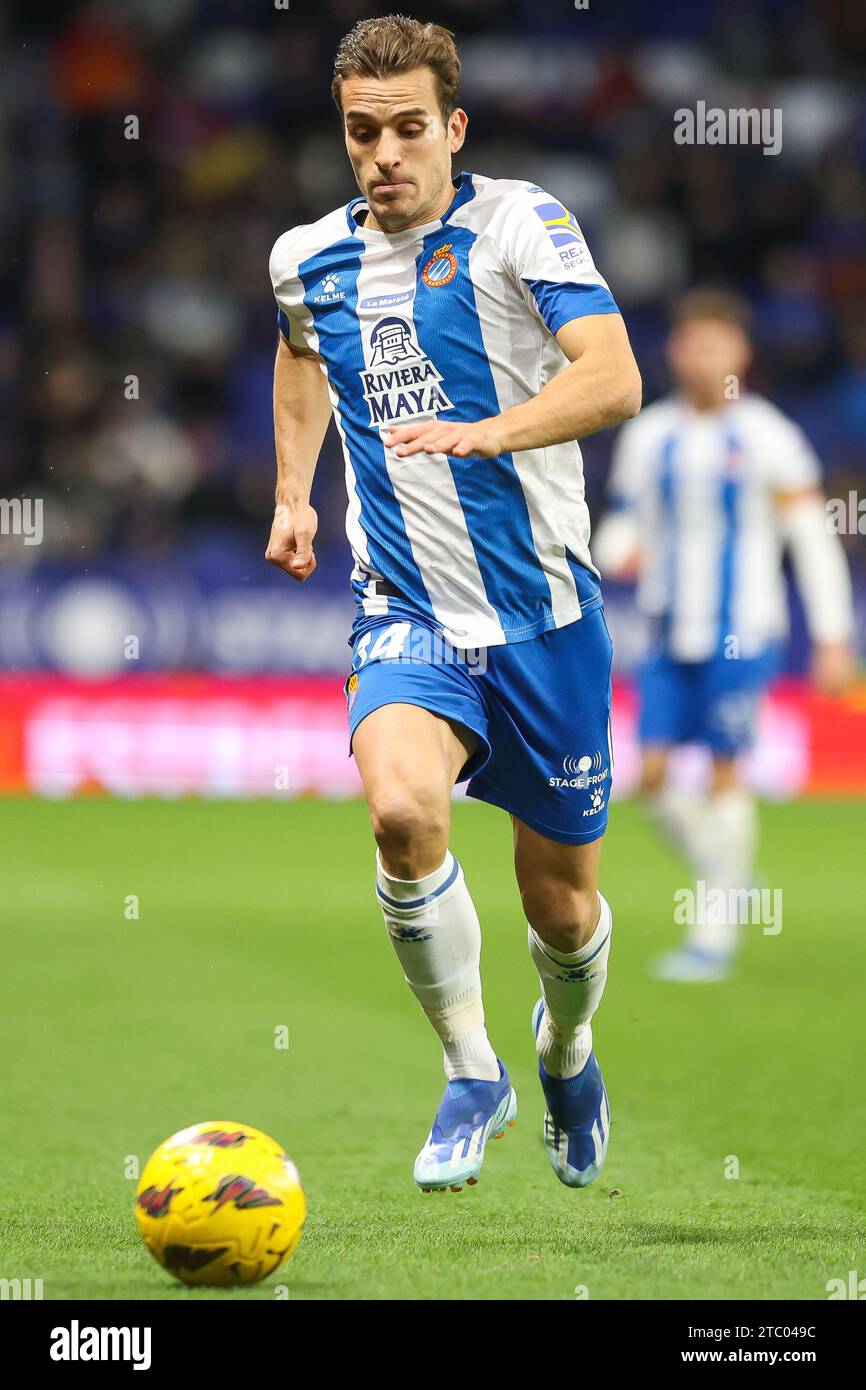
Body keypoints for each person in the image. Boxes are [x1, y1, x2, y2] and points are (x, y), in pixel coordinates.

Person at [266, 15, 640, 1191]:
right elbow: (299, 351)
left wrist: (490, 429)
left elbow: (612, 375)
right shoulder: (305, 256)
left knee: (564, 908)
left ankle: (564, 1047)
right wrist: (295, 493)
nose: (383, 153)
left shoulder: (520, 223)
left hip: (544, 617)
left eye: (407, 129)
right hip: (405, 607)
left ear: (453, 128)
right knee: (399, 814)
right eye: (360, 131)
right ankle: (470, 1065)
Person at [593, 289, 855, 983]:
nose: (705, 358)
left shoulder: (768, 434)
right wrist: (615, 550)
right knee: (647, 779)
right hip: (666, 629)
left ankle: (714, 933)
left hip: (742, 631)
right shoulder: (650, 434)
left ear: (741, 355)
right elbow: (622, 520)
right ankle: (730, 874)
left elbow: (813, 538)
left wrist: (834, 635)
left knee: (724, 771)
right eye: (693, 343)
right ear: (675, 351)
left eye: (719, 345)